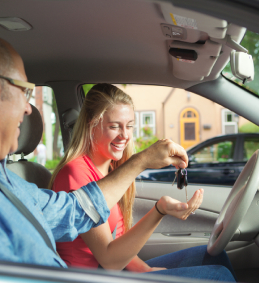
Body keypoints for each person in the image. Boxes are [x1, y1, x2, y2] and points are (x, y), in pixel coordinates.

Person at [0, 31, 200, 273]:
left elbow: (73, 210)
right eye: (25, 92)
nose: (28, 109)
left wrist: (142, 162)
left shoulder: (1, 180)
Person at [50, 84, 237, 281]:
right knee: (218, 276)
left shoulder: (110, 169)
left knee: (213, 257)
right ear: (91, 124)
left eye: (129, 125)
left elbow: (118, 238)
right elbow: (110, 260)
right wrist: (160, 210)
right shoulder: (75, 173)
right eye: (114, 126)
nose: (125, 135)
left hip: (114, 272)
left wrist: (144, 270)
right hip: (91, 277)